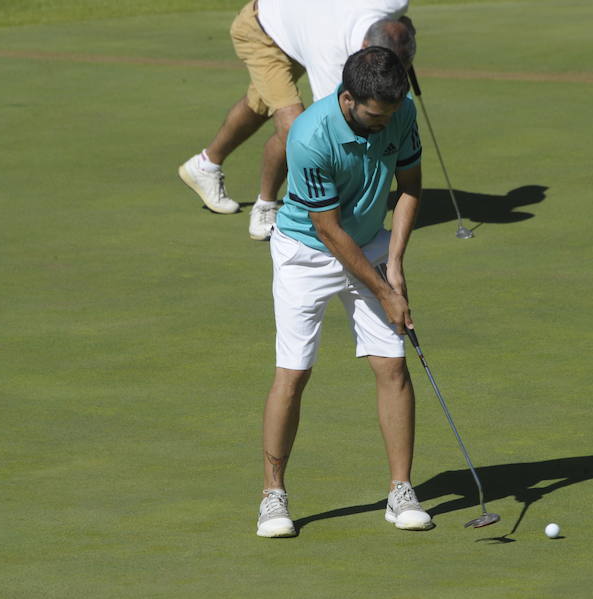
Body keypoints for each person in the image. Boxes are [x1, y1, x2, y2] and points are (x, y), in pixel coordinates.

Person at [256, 46, 430, 538]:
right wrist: (383, 289)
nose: (385, 125)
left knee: (392, 364)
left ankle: (401, 491)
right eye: (376, 116)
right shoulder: (309, 136)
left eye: (391, 115)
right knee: (294, 372)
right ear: (348, 97)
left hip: (370, 241)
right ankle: (273, 495)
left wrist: (394, 264)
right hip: (305, 251)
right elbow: (329, 230)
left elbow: (411, 186)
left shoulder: (399, 111)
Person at [178, 0, 416, 241]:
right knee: (296, 128)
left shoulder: (393, 3)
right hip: (261, 29)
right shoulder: (330, 54)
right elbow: (327, 125)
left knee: (260, 103)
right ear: (365, 46)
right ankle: (266, 204)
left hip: (294, 26)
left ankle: (205, 165)